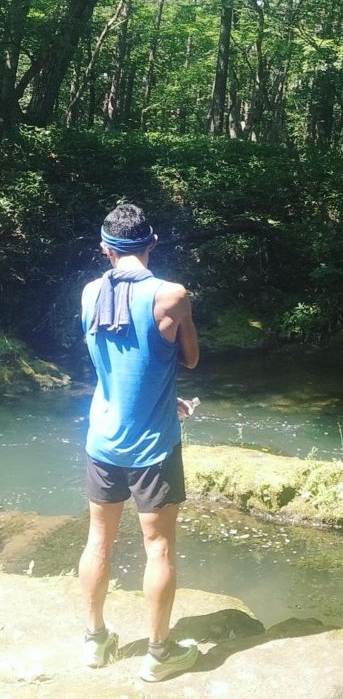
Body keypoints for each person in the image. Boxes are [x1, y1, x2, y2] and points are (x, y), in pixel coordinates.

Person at [77, 203, 200, 682]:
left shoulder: (88, 292)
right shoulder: (171, 294)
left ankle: (94, 642)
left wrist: (165, 399)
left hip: (102, 438)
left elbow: (116, 365)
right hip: (153, 446)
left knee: (97, 540)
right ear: (151, 243)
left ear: (105, 248)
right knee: (159, 549)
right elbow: (188, 358)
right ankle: (159, 654)